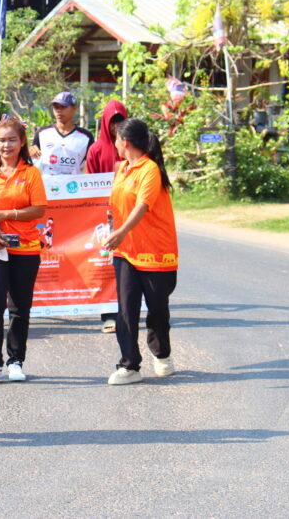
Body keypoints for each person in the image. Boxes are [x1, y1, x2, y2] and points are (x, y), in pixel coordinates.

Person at [0, 117, 47, 384]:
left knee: (19, 307)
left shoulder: (31, 173)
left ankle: (16, 360)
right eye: (1, 140)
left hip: (26, 248)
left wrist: (7, 213)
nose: (6, 145)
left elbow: (39, 209)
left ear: (22, 142)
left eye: (12, 140)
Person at [102, 118, 178, 385]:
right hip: (125, 251)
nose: (115, 144)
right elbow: (118, 205)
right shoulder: (122, 169)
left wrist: (122, 231)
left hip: (155, 252)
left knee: (157, 309)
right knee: (125, 309)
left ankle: (162, 354)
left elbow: (142, 206)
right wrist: (114, 231)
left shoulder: (149, 169)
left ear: (125, 142)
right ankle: (129, 364)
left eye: (116, 139)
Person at [86, 98, 129, 333]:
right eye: (112, 122)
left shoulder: (132, 148)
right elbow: (89, 186)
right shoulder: (96, 150)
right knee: (106, 265)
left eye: (120, 121)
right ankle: (108, 315)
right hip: (105, 218)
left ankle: (128, 310)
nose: (116, 127)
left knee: (128, 265)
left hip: (129, 216)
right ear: (104, 123)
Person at [31, 91, 94, 175]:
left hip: (73, 183)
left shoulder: (86, 137)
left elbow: (92, 166)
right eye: (56, 107)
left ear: (74, 108)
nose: (59, 110)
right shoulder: (41, 134)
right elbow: (32, 158)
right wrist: (29, 152)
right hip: (46, 183)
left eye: (63, 107)